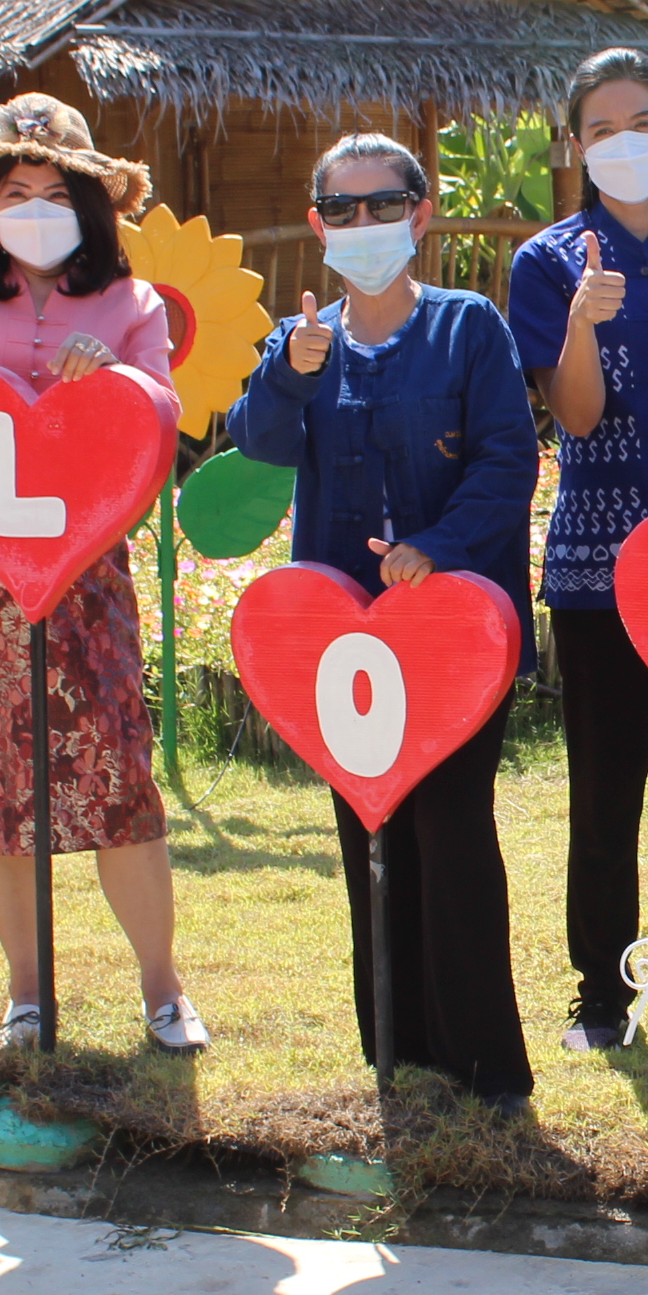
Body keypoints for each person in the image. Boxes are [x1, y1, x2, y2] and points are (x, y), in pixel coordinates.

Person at [230, 133, 540, 1108]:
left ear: (422, 210)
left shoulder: (469, 329)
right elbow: (258, 443)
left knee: (450, 830)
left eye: (384, 204)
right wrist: (291, 372)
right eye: (345, 209)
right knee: (369, 826)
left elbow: (506, 461)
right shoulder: (301, 338)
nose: (365, 224)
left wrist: (438, 548)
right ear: (321, 223)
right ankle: (397, 1052)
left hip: (452, 628)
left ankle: (488, 1065)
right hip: (342, 641)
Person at [0, 94, 203, 1053]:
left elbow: (163, 402)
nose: (33, 206)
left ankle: (163, 989)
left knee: (118, 778)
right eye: (14, 190)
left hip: (87, 567)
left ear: (91, 205)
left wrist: (106, 373)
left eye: (53, 191)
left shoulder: (129, 299)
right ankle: (26, 995)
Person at [507, 49, 648, 1053]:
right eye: (601, 129)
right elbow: (572, 416)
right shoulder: (549, 261)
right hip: (599, 563)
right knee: (604, 788)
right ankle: (601, 991)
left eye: (641, 121)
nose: (624, 142)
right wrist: (580, 332)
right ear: (577, 145)